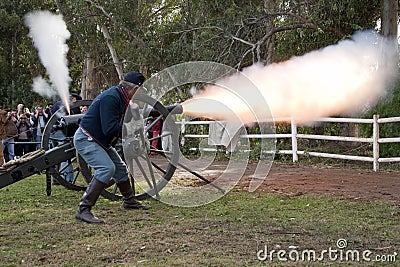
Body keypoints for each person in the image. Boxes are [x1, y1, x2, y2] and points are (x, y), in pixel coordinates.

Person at [73, 71, 150, 224]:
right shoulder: (111, 97)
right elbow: (109, 128)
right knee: (106, 169)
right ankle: (83, 209)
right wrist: (132, 128)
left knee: (120, 169)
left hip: (100, 141)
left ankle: (129, 201)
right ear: (134, 89)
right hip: (87, 139)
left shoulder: (121, 97)